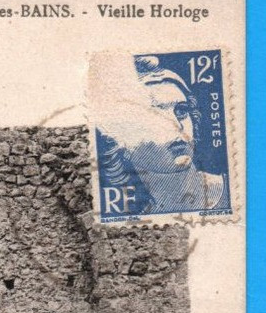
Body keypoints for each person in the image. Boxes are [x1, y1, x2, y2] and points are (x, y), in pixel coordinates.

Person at [95, 54, 230, 216]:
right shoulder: (123, 209)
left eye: (181, 111)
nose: (177, 126)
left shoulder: (230, 191)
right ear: (120, 139)